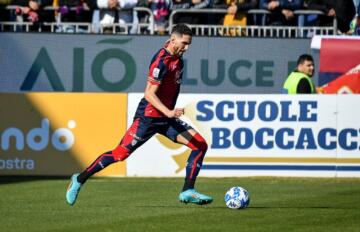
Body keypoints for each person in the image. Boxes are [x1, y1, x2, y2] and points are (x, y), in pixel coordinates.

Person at [66, 24, 213, 206]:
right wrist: (168, 111)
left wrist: (168, 113)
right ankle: (79, 179)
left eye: (189, 44)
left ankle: (188, 190)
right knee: (120, 155)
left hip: (166, 120)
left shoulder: (179, 60)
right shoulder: (161, 61)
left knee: (200, 145)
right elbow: (149, 94)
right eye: (184, 43)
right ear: (173, 40)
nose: (187, 48)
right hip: (148, 119)